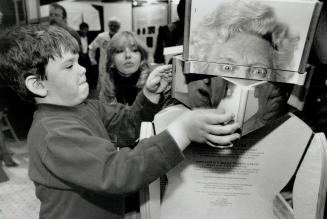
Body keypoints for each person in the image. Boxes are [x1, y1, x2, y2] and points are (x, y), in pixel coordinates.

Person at [0, 24, 240, 219]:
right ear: (37, 84)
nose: (83, 70)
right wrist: (182, 131)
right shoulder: (53, 133)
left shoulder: (85, 107)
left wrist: (148, 95)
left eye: (78, 61)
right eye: (70, 66)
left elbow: (127, 123)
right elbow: (117, 172)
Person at [99, 31, 154, 105]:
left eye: (134, 50)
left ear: (142, 56)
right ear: (112, 60)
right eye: (120, 51)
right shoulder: (107, 87)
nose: (128, 55)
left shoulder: (153, 84)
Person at [89, 17, 121, 92]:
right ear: (108, 26)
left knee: (115, 84)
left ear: (118, 27)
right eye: (111, 25)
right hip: (104, 64)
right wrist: (92, 60)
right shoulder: (101, 37)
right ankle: (102, 101)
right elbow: (91, 48)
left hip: (117, 65)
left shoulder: (121, 37)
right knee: (103, 83)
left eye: (115, 26)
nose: (113, 27)